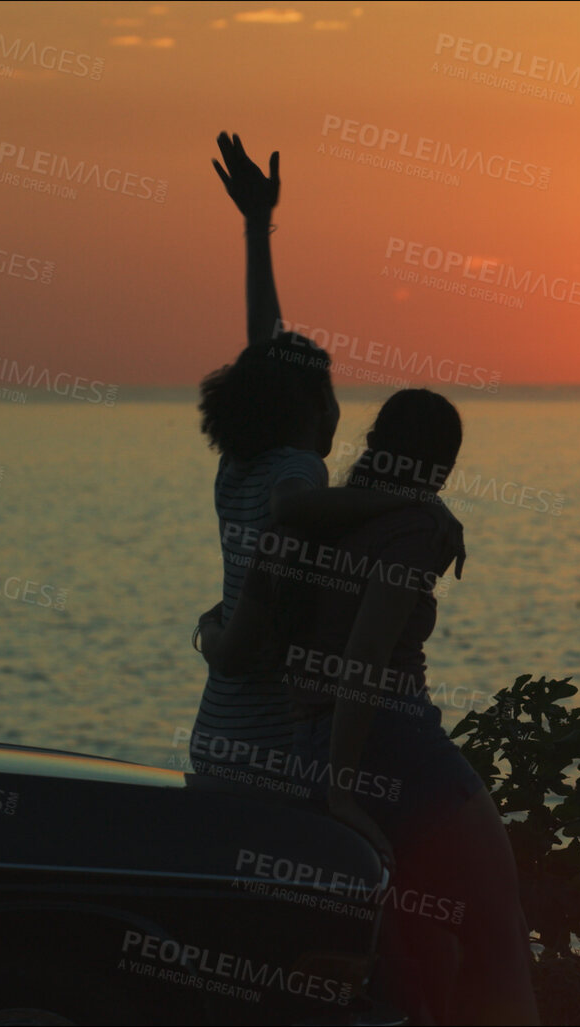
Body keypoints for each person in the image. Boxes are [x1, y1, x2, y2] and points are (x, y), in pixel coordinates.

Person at [203, 389, 538, 1025]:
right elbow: (364, 662)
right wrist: (342, 790)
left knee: (414, 949)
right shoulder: (417, 527)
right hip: (390, 743)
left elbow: (265, 643)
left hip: (312, 742)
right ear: (440, 465)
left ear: (378, 445)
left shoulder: (319, 519)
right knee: (499, 930)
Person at [189, 134, 459, 790]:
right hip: (269, 738)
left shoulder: (237, 467)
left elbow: (264, 348)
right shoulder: (296, 470)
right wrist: (409, 499)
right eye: (331, 392)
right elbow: (292, 505)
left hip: (216, 730)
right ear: (310, 407)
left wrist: (257, 227)